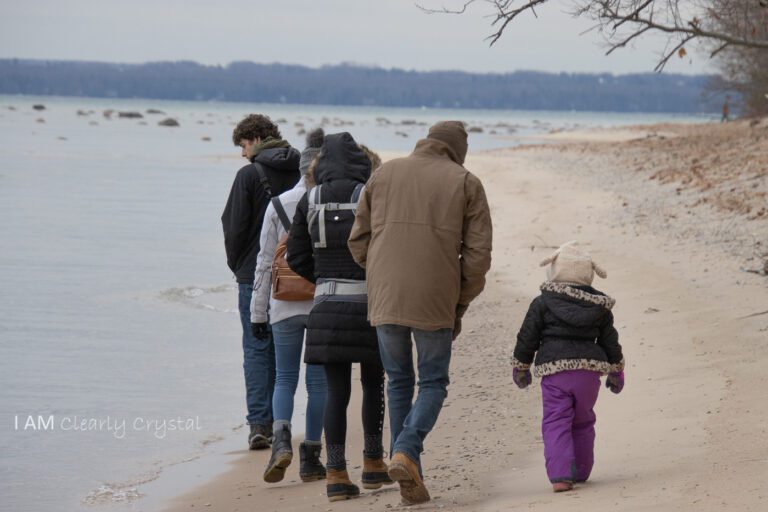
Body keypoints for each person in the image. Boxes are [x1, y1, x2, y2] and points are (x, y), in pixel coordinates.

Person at [348, 121, 493, 505]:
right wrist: (458, 300)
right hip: (435, 296)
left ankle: (408, 471)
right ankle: (407, 452)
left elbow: (358, 239)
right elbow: (478, 257)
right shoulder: (466, 182)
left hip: (386, 296)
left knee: (398, 382)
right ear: (456, 149)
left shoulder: (384, 174)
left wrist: (380, 274)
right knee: (432, 382)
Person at [286, 132, 392, 502]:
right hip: (369, 304)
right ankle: (375, 465)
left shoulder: (309, 199)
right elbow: (385, 246)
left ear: (321, 165)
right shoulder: (370, 195)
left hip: (326, 306)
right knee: (374, 384)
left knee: (336, 390)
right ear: (362, 163)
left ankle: (335, 473)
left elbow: (294, 255)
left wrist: (323, 278)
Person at [511, 241, 625, 492]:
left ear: (555, 270)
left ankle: (562, 475)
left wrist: (521, 366)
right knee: (583, 420)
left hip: (555, 373)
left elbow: (527, 336)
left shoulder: (542, 303)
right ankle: (581, 470)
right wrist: (616, 370)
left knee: (556, 420)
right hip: (588, 373)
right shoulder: (599, 307)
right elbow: (610, 341)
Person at [250, 128, 327, 483]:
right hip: (321, 301)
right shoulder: (327, 203)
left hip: (283, 302)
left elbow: (264, 261)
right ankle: (311, 456)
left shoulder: (278, 204)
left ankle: (281, 441)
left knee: (284, 378)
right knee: (318, 383)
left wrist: (257, 312)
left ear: (300, 168)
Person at [221, 114, 300, 449]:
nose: (242, 153)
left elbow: (233, 228)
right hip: (297, 273)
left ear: (254, 138)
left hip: (254, 275)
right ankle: (285, 420)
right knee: (289, 350)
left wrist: (238, 265)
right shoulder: (301, 170)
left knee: (256, 348)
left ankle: (259, 426)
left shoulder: (248, 175)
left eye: (242, 145)